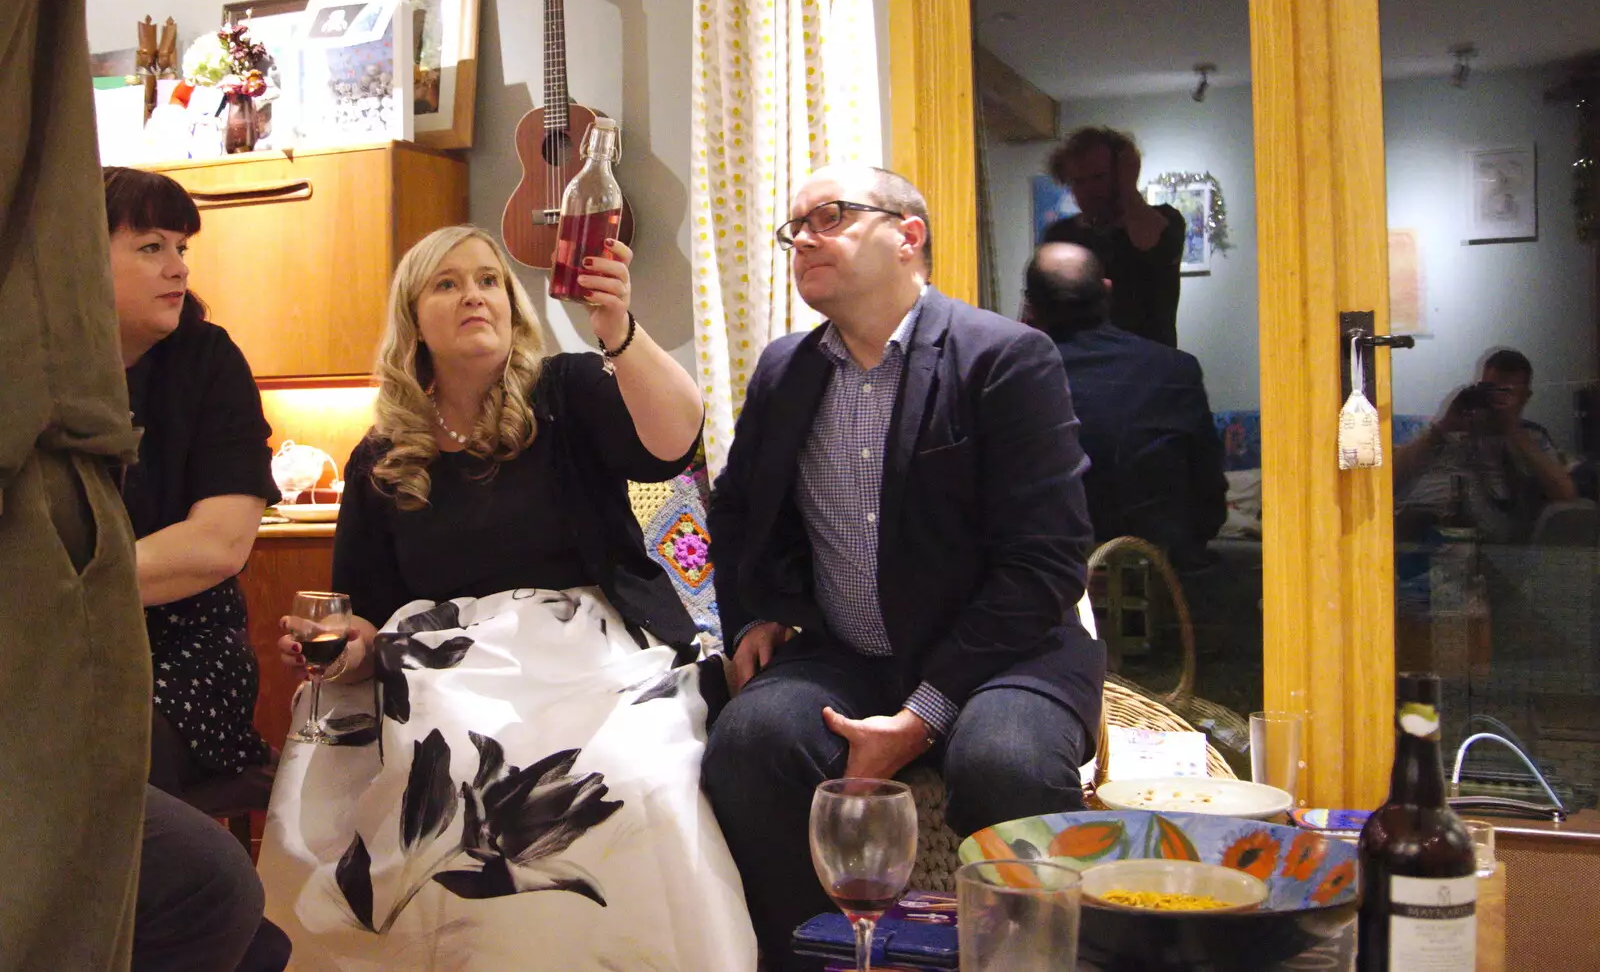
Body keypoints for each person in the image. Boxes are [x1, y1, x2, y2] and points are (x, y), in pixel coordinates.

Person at [260, 226, 756, 970]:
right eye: (448, 284)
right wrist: (340, 648)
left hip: (593, 651)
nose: (474, 296)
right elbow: (364, 612)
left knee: (631, 770)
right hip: (446, 670)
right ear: (414, 318)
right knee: (454, 766)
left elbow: (676, 439)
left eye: (489, 280)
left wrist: (617, 330)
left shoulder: (568, 390)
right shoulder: (382, 453)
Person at [702, 164, 1105, 966]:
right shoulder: (786, 371)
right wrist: (751, 613)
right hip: (849, 654)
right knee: (749, 744)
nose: (804, 240)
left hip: (1006, 655)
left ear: (908, 236)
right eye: (795, 229)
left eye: (831, 217)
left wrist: (923, 715)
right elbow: (738, 512)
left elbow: (1046, 562)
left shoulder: (1005, 357)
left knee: (1006, 763)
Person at [1, 0, 150, 966]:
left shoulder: (572, 398)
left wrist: (731, 614)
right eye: (150, 245)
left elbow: (668, 489)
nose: (176, 265)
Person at [103, 166, 278, 792]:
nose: (178, 267)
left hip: (182, 649)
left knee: (98, 761)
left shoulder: (210, 362)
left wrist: (63, 593)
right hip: (43, 643)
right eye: (151, 247)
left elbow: (218, 545)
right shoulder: (31, 368)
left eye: (182, 248)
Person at [1022, 242, 1227, 568]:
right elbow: (1209, 495)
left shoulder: (1016, 374)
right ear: (1106, 290)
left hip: (1047, 575)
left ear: (1031, 307)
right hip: (1159, 570)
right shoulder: (1174, 369)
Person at [1394, 348, 1577, 544]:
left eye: (1506, 391)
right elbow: (1387, 479)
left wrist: (1512, 429)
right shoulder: (1442, 431)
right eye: (1488, 389)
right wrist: (1443, 428)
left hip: (1482, 542)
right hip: (1416, 529)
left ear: (1525, 397)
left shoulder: (1532, 437)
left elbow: (1565, 494)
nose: (1494, 398)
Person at [1041, 126, 1188, 348]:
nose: (1089, 189)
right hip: (1082, 367)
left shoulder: (1164, 219)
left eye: (1099, 177)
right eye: (1078, 181)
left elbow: (1154, 247)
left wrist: (1128, 187)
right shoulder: (1060, 235)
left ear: (1120, 174)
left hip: (1147, 365)